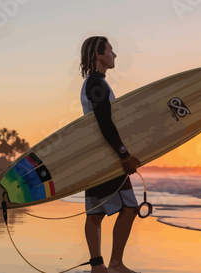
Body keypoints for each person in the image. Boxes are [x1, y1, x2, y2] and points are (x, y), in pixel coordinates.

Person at [79, 36, 141, 273]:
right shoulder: (96, 83)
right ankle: (114, 264)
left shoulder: (93, 82)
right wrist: (124, 155)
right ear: (99, 54)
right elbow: (104, 122)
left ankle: (98, 267)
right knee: (130, 209)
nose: (115, 55)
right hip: (109, 157)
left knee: (95, 211)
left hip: (96, 158)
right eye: (111, 50)